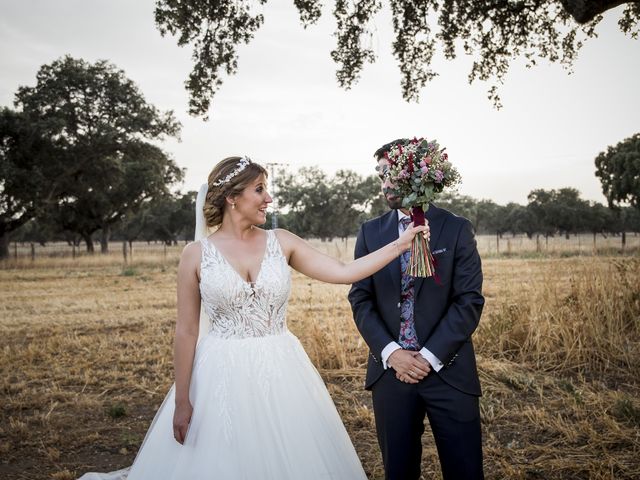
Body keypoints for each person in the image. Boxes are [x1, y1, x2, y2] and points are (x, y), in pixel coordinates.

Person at [79, 155, 428, 480]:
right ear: (232, 197)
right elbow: (186, 331)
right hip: (219, 372)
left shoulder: (282, 241)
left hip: (282, 368)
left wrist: (401, 244)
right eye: (259, 189)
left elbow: (345, 270)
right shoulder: (195, 255)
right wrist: (183, 399)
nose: (269, 198)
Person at [348, 139, 485, 480]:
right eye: (379, 175)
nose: (383, 185)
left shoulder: (455, 229)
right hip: (391, 374)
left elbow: (469, 300)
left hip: (448, 371)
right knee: (399, 471)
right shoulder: (370, 232)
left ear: (413, 174)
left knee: (465, 470)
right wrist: (392, 353)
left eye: (389, 175)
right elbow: (360, 298)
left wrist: (428, 356)